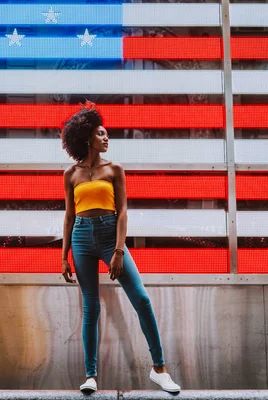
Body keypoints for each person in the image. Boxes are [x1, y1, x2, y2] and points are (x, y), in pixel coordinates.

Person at [60, 101, 181, 393]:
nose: (106, 138)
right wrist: (63, 256)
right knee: (91, 309)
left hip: (109, 235)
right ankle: (91, 375)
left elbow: (123, 211)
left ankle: (160, 369)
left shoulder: (115, 170)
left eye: (106, 134)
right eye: (101, 134)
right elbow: (69, 215)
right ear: (88, 137)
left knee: (141, 300)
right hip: (81, 239)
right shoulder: (71, 174)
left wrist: (118, 250)